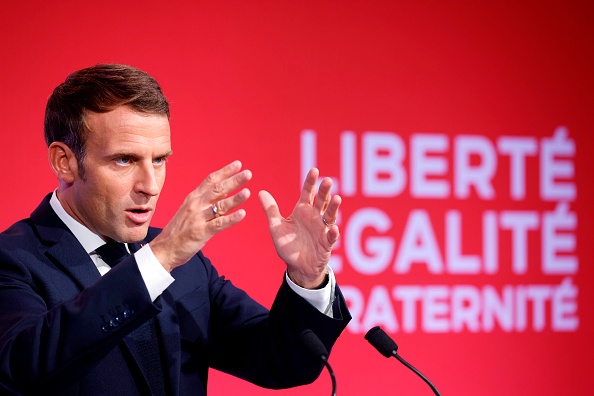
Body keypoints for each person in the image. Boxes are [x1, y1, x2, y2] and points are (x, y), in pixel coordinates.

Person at [0, 64, 351, 395]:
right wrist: (160, 258)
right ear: (65, 162)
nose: (150, 185)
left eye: (159, 159)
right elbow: (23, 369)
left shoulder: (186, 265)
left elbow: (281, 362)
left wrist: (307, 279)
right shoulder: (14, 260)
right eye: (124, 160)